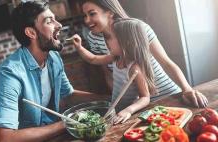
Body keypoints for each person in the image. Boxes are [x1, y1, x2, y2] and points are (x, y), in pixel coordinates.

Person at [72, 0, 208, 121]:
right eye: (85, 15)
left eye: (92, 14)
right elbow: (109, 74)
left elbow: (166, 62)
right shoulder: (93, 38)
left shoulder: (138, 29)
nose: (87, 20)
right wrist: (123, 104)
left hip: (167, 96)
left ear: (110, 12)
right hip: (138, 107)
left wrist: (187, 89)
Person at [0, 1, 107, 142]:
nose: (59, 25)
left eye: (55, 19)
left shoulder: (53, 57)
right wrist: (67, 123)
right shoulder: (11, 73)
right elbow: (4, 138)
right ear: (31, 32)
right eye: (49, 21)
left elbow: (68, 95)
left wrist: (108, 100)